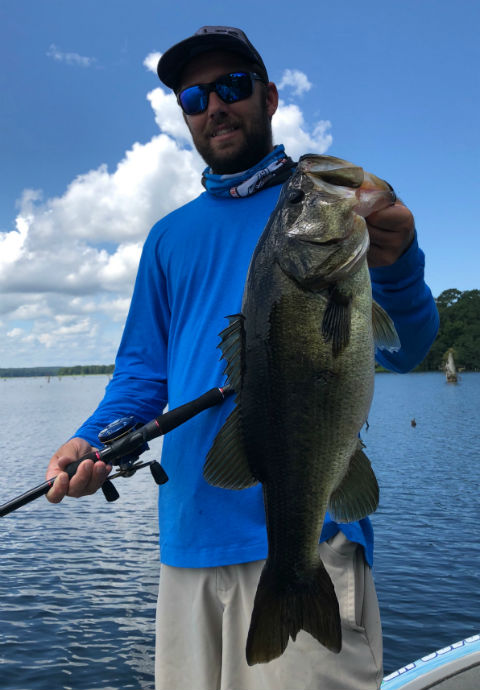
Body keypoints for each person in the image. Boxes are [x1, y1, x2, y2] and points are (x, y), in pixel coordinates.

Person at [45, 26, 439, 690]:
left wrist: (398, 267)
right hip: (190, 542)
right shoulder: (167, 237)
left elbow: (409, 351)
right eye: (195, 98)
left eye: (232, 86)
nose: (215, 107)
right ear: (185, 116)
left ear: (270, 96)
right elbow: (143, 374)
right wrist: (90, 440)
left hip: (315, 540)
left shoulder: (336, 205)